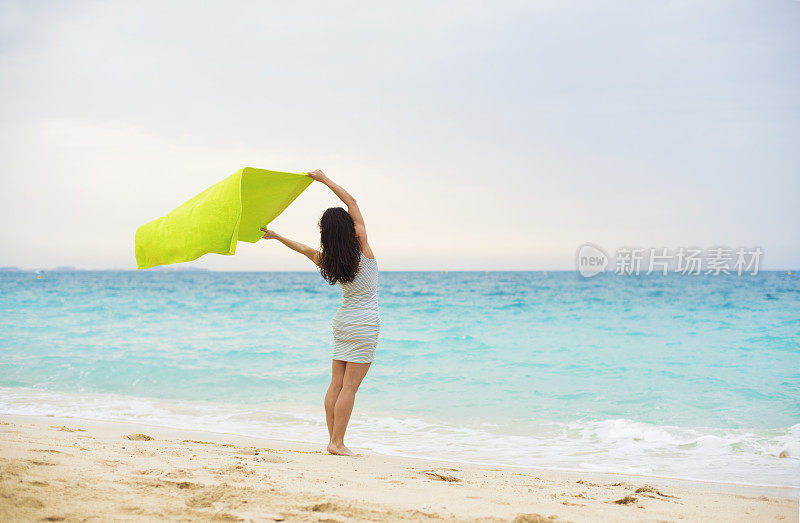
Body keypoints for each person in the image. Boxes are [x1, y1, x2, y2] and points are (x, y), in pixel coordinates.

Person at [260, 169, 379, 456]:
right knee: (349, 387)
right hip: (364, 324)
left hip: (343, 321)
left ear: (327, 234)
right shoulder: (362, 247)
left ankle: (332, 440)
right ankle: (337, 443)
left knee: (336, 384)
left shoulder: (328, 260)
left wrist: (276, 236)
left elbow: (302, 248)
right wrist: (324, 180)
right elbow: (352, 201)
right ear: (349, 229)